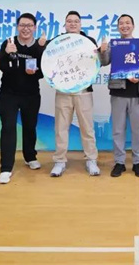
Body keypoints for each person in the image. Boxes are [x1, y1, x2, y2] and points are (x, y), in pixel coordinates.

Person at [0, 13, 48, 184]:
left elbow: (45, 70)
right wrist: (8, 54)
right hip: (9, 94)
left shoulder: (40, 45)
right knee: (8, 128)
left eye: (29, 25)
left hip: (31, 94)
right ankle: (6, 167)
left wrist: (36, 73)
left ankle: (30, 156)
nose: (26, 28)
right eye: (22, 25)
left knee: (30, 127)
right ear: (17, 27)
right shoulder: (9, 43)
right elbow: (2, 67)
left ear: (35, 28)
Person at [51, 11, 100, 177]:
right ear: (65, 25)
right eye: (69, 21)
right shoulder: (57, 42)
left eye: (76, 21)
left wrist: (101, 52)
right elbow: (48, 63)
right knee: (61, 128)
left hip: (83, 91)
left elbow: (97, 63)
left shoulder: (89, 42)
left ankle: (91, 159)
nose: (73, 24)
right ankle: (59, 161)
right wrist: (42, 45)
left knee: (87, 128)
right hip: (63, 91)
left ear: (80, 24)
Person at [99, 14, 139, 177]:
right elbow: (104, 61)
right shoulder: (114, 44)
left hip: (137, 93)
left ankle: (137, 162)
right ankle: (119, 162)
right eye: (121, 23)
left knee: (137, 130)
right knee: (118, 130)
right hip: (118, 92)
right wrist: (103, 50)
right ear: (118, 27)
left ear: (133, 26)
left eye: (128, 23)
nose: (124, 26)